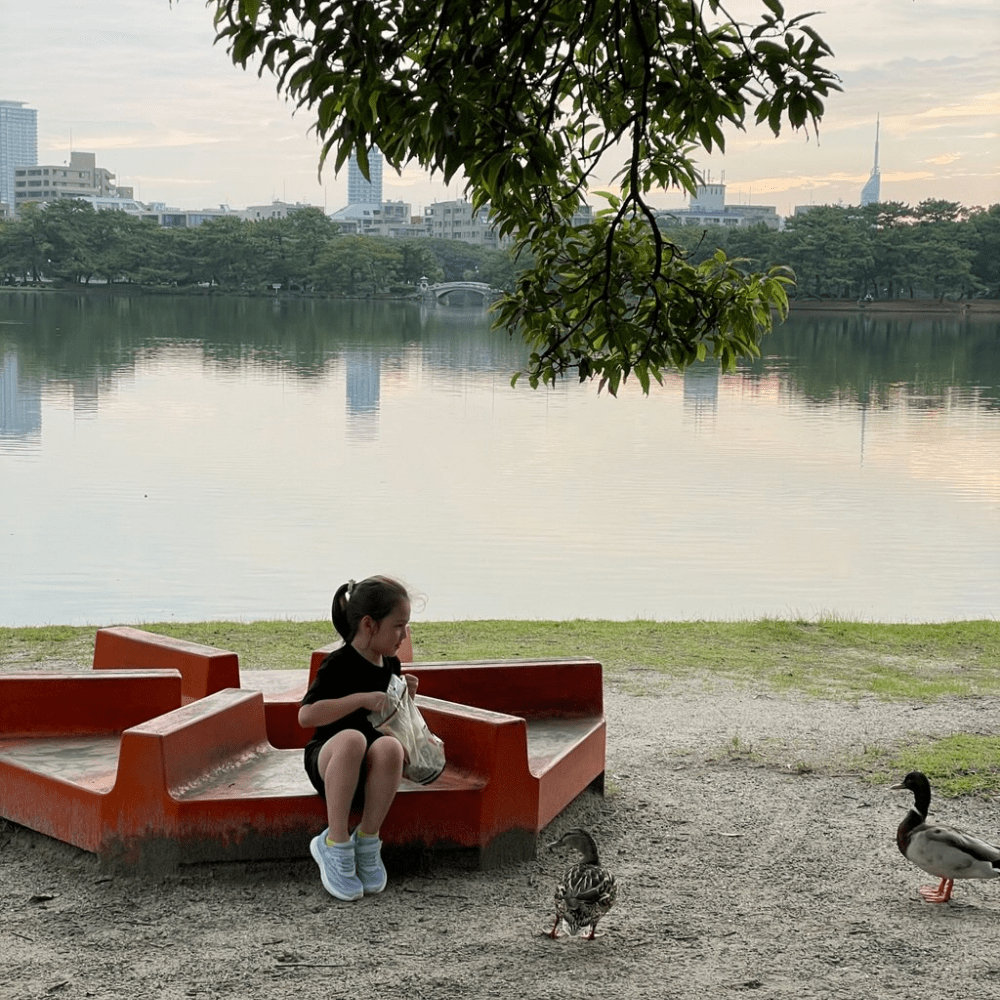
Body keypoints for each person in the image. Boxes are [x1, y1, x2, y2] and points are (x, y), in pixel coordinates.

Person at [299, 575, 417, 900]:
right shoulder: (338, 664)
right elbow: (305, 716)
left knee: (390, 746)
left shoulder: (391, 665)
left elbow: (392, 723)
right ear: (369, 624)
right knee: (352, 739)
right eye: (398, 626)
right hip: (330, 760)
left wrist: (406, 699)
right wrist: (362, 699)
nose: (403, 635)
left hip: (367, 770)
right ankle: (335, 843)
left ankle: (367, 840)